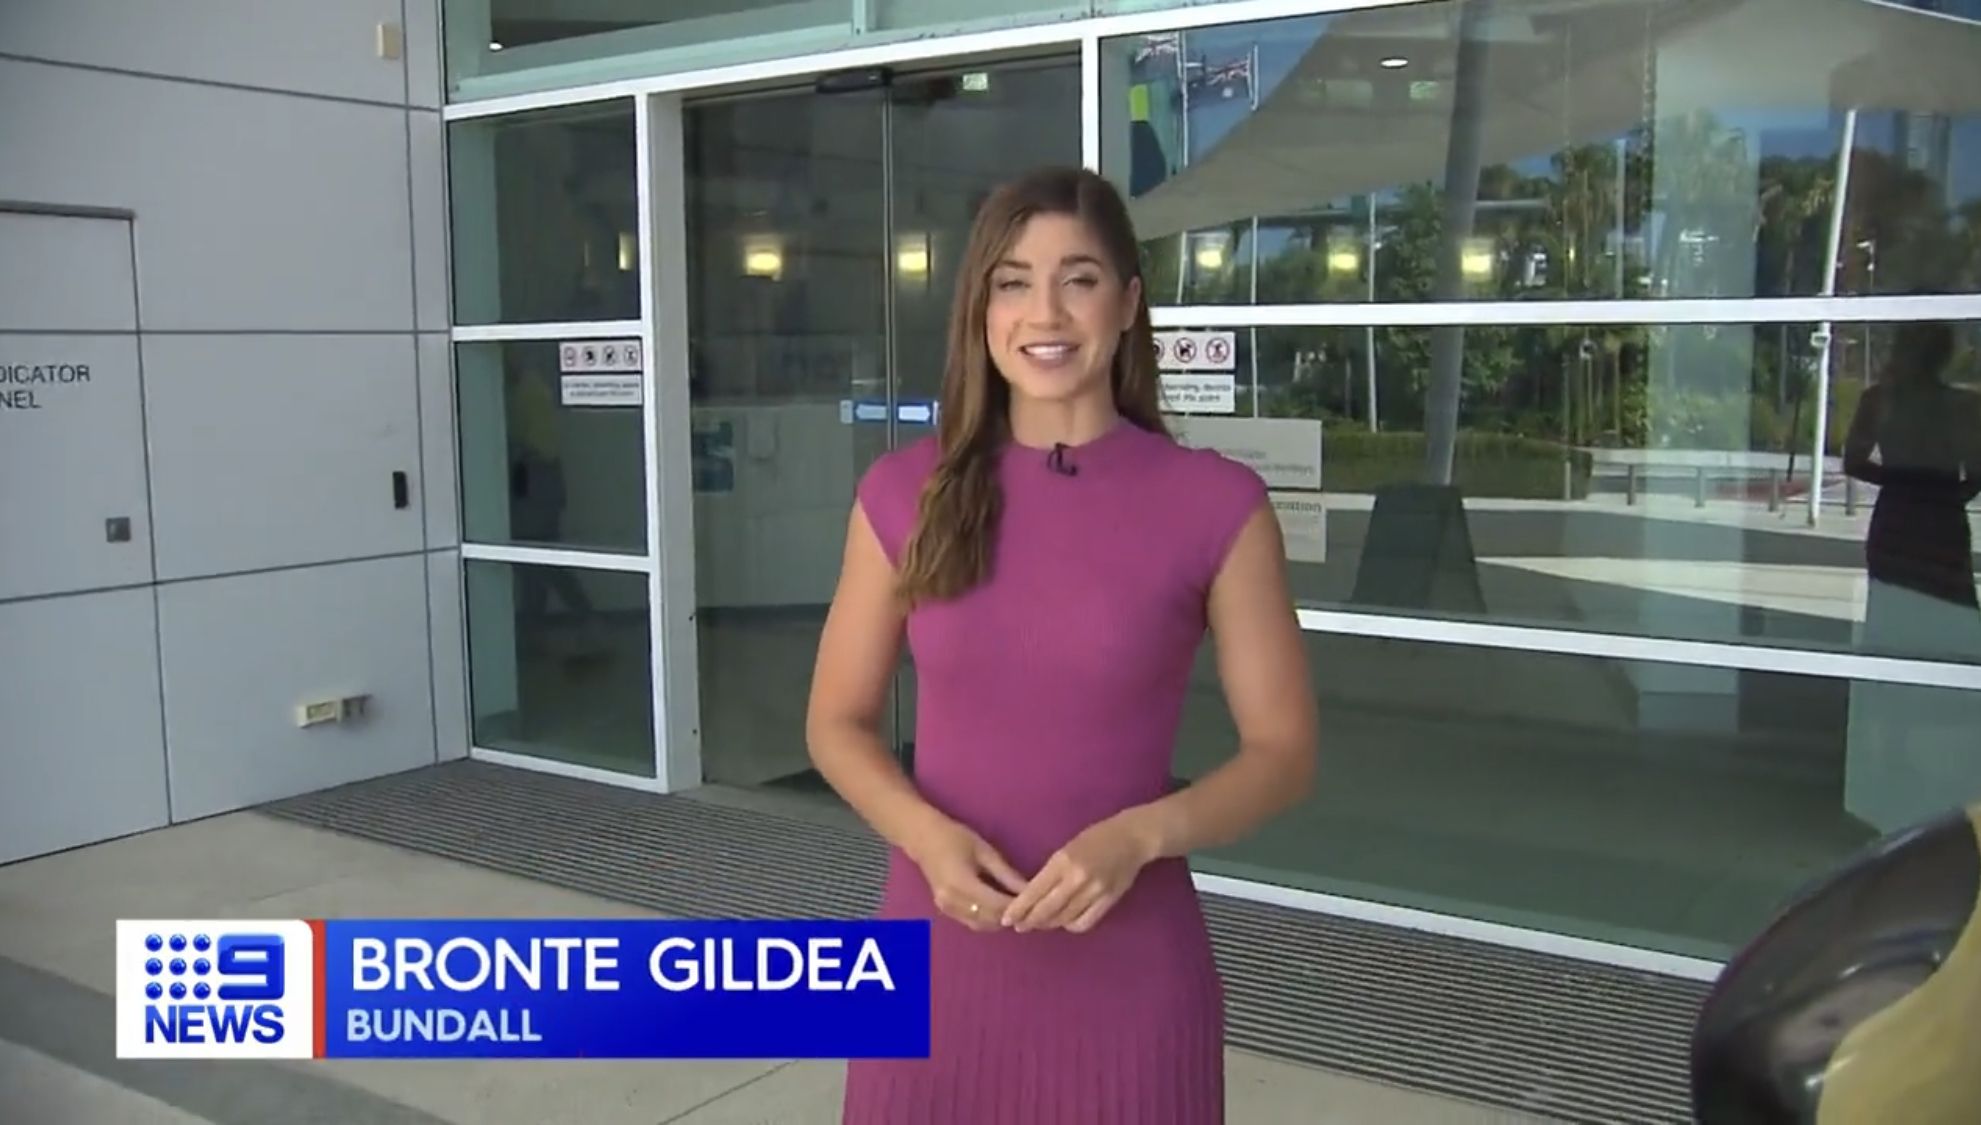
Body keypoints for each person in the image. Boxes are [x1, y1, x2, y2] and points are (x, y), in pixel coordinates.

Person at [805, 165, 1319, 1122]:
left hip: (1131, 977)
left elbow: (1282, 753)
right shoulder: (904, 492)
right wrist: (925, 836)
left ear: (1126, 304)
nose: (1044, 311)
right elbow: (835, 721)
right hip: (933, 959)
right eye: (1013, 282)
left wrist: (1140, 835)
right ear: (980, 309)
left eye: (1077, 278)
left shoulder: (1215, 504)